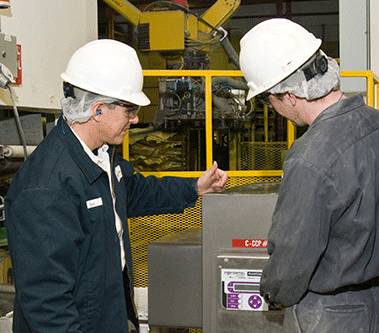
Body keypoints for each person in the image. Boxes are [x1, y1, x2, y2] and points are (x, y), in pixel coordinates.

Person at [5, 39, 228, 333]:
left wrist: (194, 188)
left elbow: (134, 191)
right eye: (130, 109)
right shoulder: (46, 188)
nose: (136, 119)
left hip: (110, 313)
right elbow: (47, 304)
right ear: (98, 110)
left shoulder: (101, 156)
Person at [239, 18, 379, 332]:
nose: (273, 108)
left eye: (269, 99)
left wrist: (272, 291)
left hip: (326, 313)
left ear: (288, 95)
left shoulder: (310, 155)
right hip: (374, 300)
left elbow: (292, 257)